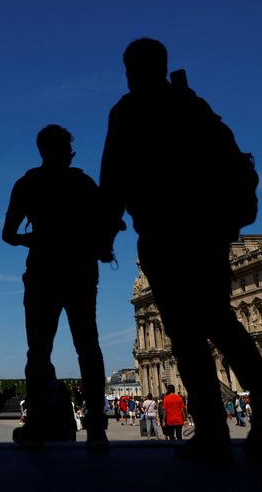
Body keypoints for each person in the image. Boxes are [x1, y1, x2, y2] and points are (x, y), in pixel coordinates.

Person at [99, 38, 262, 461]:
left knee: (187, 339)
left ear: (131, 70)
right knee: (223, 325)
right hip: (209, 235)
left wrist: (103, 233)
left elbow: (112, 178)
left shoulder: (128, 111)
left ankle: (211, 430)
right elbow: (235, 160)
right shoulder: (193, 106)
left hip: (164, 234)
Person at [3, 124, 113, 451]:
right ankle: (96, 428)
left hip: (42, 270)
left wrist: (31, 239)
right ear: (66, 150)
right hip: (80, 270)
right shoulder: (83, 182)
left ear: (41, 149)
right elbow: (105, 222)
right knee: (88, 347)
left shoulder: (27, 184)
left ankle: (36, 423)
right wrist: (99, 245)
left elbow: (8, 234)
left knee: (38, 351)